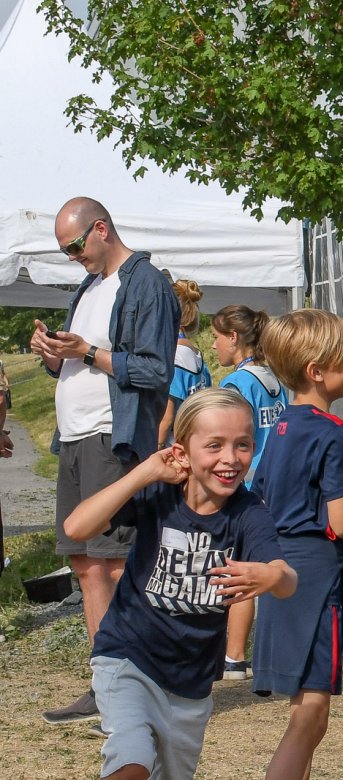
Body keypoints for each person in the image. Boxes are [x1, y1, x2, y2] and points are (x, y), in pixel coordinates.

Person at [62, 388, 296, 779]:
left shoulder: (249, 513)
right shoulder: (158, 494)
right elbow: (76, 527)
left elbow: (287, 579)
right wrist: (144, 473)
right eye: (214, 445)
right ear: (182, 452)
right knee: (132, 761)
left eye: (242, 445)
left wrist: (272, 575)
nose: (230, 458)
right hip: (128, 658)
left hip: (191, 683)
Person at [30, 197, 179, 725]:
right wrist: (55, 356)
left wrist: (87, 353)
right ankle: (105, 684)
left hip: (111, 441)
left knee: (115, 564)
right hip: (74, 440)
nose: (72, 257)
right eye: (64, 251)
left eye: (74, 246)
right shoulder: (89, 286)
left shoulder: (145, 283)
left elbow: (155, 370)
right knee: (86, 563)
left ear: (100, 228)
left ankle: (134, 687)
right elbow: (82, 363)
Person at [249, 308, 343, 780]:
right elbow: (341, 521)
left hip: (282, 567)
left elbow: (260, 498)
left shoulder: (280, 427)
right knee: (311, 714)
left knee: (304, 708)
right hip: (317, 577)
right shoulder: (330, 431)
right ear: (316, 371)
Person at [211, 304, 288, 679]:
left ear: (233, 337)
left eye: (216, 337)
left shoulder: (238, 384)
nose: (213, 346)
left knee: (239, 569)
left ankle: (235, 657)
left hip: (244, 487)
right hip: (275, 483)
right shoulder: (275, 379)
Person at [157, 280, 211, 448]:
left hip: (173, 447)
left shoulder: (174, 358)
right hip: (194, 442)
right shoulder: (197, 356)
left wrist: (155, 449)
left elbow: (167, 418)